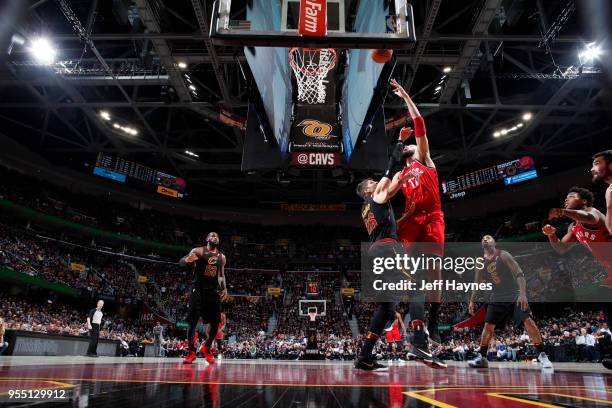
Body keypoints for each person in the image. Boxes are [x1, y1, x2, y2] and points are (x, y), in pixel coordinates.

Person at [354, 134, 446, 371]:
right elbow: (389, 177)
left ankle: (364, 356)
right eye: (371, 183)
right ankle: (419, 341)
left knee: (386, 307)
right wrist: (398, 143)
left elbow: (394, 187)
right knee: (416, 285)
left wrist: (407, 213)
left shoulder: (366, 210)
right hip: (388, 249)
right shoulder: (375, 194)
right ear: (366, 191)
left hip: (375, 253)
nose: (376, 183)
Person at [390, 79, 444, 343]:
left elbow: (420, 123)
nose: (411, 142)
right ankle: (417, 322)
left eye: (412, 142)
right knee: (412, 275)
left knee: (434, 271)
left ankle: (433, 319)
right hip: (411, 221)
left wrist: (406, 97)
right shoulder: (400, 173)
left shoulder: (424, 158)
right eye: (406, 144)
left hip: (432, 217)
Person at [467, 235, 553, 370]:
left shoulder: (503, 255)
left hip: (513, 295)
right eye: (483, 238)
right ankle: (482, 358)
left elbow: (519, 274)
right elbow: (477, 283)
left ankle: (542, 355)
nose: (485, 239)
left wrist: (523, 294)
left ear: (494, 242)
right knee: (488, 327)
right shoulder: (480, 262)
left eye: (488, 238)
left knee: (528, 321)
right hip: (497, 297)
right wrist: (472, 300)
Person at [179, 232, 228, 364]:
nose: (214, 237)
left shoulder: (221, 257)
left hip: (212, 292)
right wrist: (186, 260)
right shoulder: (198, 251)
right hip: (198, 290)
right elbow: (182, 262)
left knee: (216, 322)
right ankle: (191, 351)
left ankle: (206, 347)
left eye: (217, 236)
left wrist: (224, 288)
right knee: (192, 322)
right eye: (212, 235)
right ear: (207, 239)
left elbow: (221, 275)